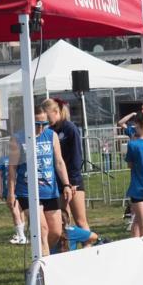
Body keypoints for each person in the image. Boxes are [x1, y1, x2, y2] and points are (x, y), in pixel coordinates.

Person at [7, 107, 73, 256]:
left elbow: (59, 162)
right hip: (27, 191)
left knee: (55, 231)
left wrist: (67, 184)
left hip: (50, 190)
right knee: (42, 229)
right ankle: (44, 268)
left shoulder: (52, 136)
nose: (41, 128)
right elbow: (12, 168)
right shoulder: (17, 139)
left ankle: (40, 254)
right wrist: (11, 193)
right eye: (37, 124)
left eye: (45, 123)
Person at [44, 98, 88, 231]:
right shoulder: (50, 131)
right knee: (63, 220)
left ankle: (89, 245)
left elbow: (76, 155)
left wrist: (73, 181)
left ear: (56, 111)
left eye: (47, 115)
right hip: (58, 181)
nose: (45, 119)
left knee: (80, 221)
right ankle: (66, 248)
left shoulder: (70, 128)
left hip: (72, 181)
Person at [0, 153, 26, 244]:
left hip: (19, 188)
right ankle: (19, 234)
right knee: (16, 212)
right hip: (8, 190)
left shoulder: (21, 157)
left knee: (16, 211)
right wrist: (0, 189)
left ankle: (22, 236)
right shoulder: (3, 158)